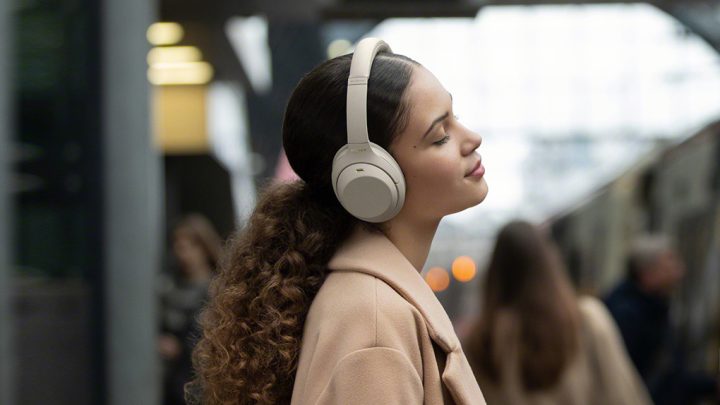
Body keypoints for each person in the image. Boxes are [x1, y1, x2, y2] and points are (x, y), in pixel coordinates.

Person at [187, 38, 488, 404]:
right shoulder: (374, 326)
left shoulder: (368, 305)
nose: (472, 138)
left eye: (455, 118)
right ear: (371, 179)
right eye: (440, 135)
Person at [465, 220, 652, 405]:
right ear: (549, 263)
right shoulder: (587, 320)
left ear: (495, 272)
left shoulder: (481, 341)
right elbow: (621, 394)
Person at [605, 234, 719, 405]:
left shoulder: (652, 309)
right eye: (669, 265)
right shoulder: (628, 314)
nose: (679, 272)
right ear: (647, 273)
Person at [158, 214, 222, 405]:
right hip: (170, 380)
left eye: (189, 246)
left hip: (202, 378)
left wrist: (182, 346)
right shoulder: (168, 287)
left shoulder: (217, 289)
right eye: (178, 247)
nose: (183, 253)